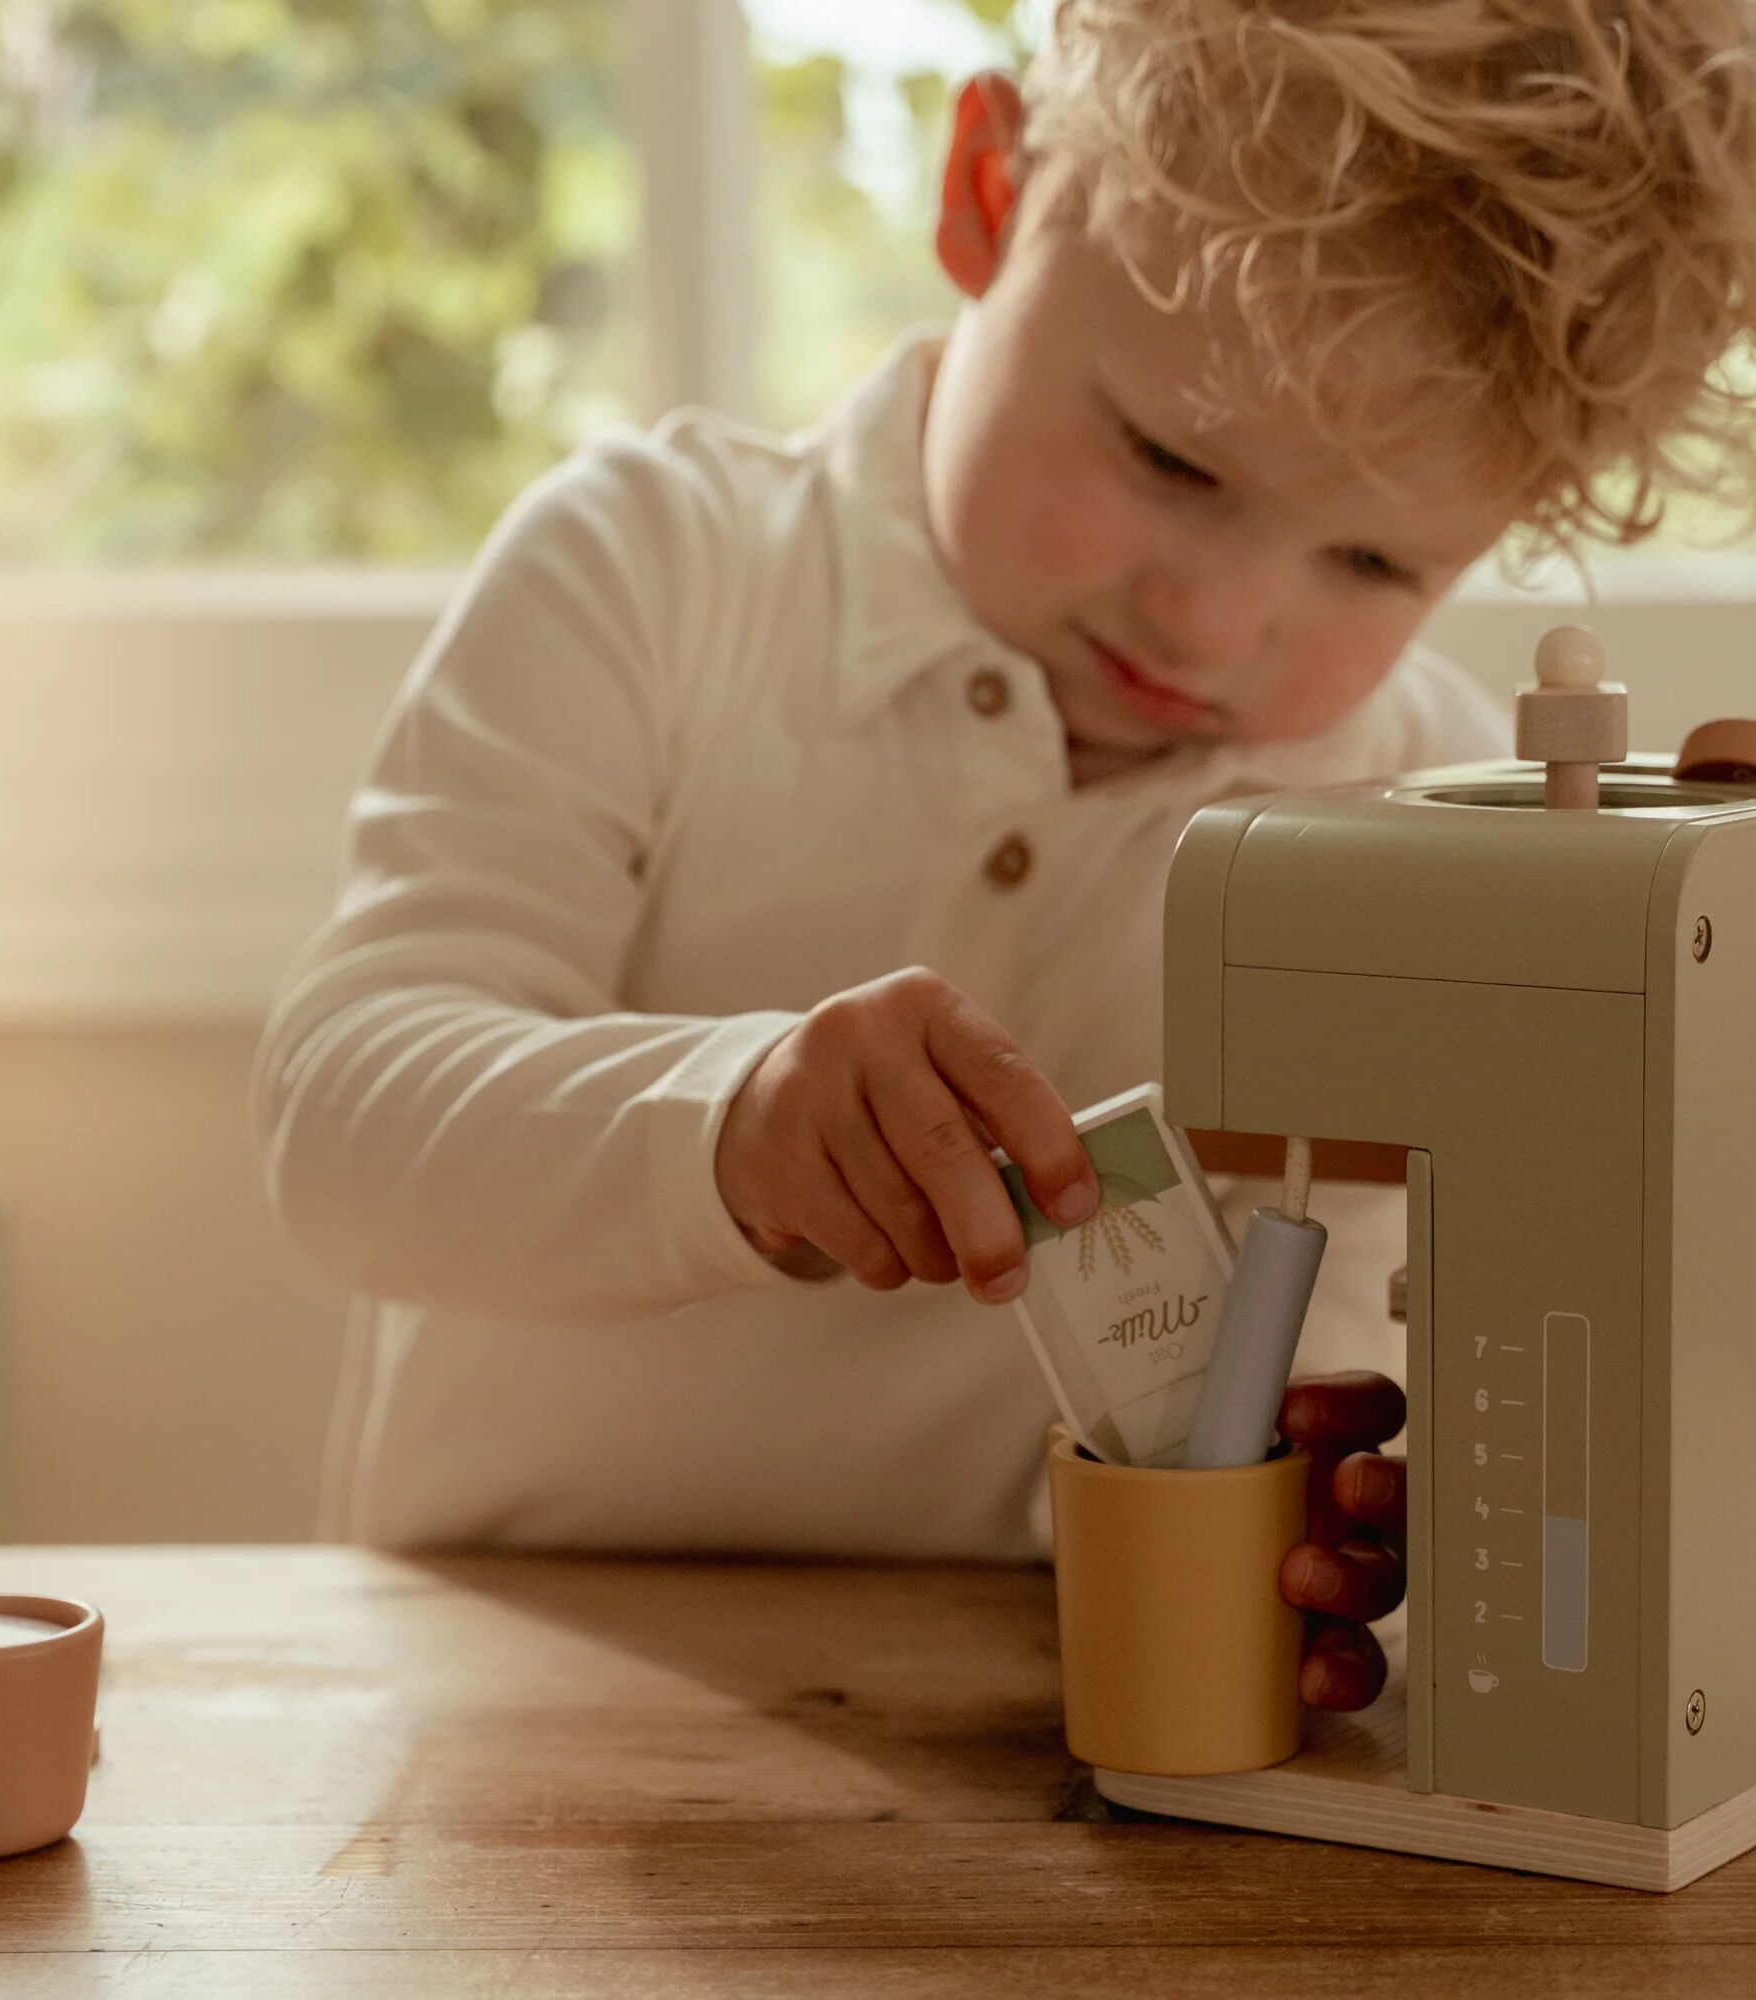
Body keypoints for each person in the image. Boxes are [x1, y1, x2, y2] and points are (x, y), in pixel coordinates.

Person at [253, 0, 1756, 1713]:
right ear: (984, 191)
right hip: (498, 1695)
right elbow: (344, 1116)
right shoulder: (657, 574)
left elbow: (1357, 1357)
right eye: (1167, 458)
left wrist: (1347, 1497)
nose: (1215, 617)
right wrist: (731, 1126)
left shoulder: (1417, 801)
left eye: (1367, 562)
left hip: (1036, 1714)